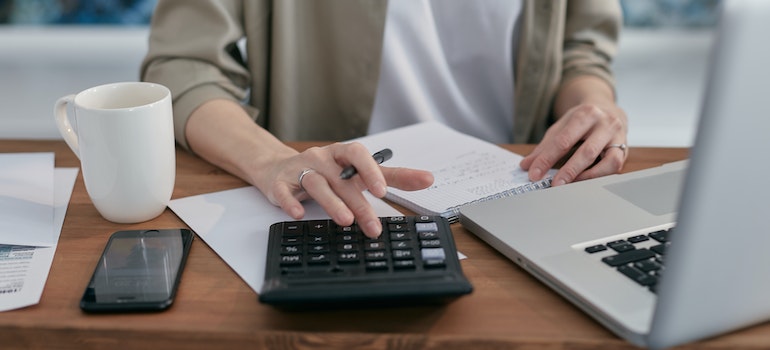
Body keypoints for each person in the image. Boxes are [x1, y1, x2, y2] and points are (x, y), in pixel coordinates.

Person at [141, 0, 628, 238]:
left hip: (519, 199)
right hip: (334, 206)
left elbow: (580, 51)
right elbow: (186, 66)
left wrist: (593, 107)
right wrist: (272, 161)